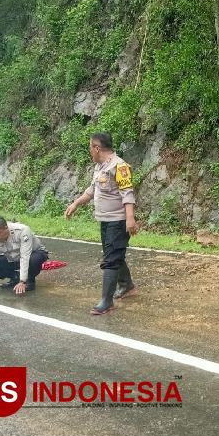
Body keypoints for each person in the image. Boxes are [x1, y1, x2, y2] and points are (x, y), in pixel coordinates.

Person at [65, 132, 138, 315]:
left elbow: (127, 193)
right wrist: (76, 203)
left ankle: (106, 301)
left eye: (90, 148)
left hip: (118, 221)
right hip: (105, 220)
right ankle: (127, 285)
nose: (90, 152)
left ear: (97, 148)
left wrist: (130, 218)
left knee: (111, 258)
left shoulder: (119, 166)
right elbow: (91, 191)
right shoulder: (99, 168)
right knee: (112, 253)